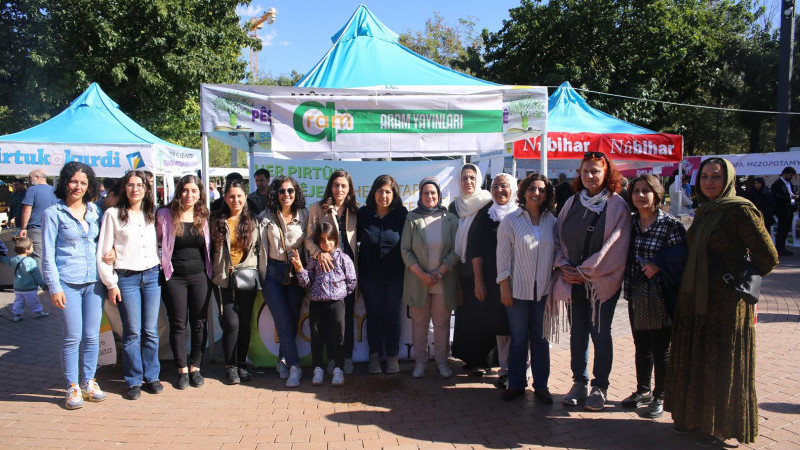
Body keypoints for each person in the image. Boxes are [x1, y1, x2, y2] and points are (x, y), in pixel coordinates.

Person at [665, 158, 778, 446]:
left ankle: (719, 427)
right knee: (698, 360)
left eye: (716, 177)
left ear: (728, 179)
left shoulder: (740, 211)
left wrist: (738, 282)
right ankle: (693, 419)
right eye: (704, 176)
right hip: (695, 300)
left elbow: (768, 257)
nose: (710, 182)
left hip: (725, 306)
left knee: (721, 364)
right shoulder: (705, 211)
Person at [550, 151, 631, 411]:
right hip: (572, 280)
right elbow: (558, 236)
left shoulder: (617, 204)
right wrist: (563, 265)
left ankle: (600, 386)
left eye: (595, 171)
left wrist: (586, 270)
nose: (589, 176)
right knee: (578, 334)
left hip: (600, 283)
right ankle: (579, 382)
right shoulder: (572, 202)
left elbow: (616, 245)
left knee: (600, 333)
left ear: (607, 173)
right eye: (585, 171)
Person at [620, 174, 688, 419]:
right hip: (636, 294)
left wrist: (658, 263)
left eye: (646, 191)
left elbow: (682, 256)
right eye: (636, 191)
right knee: (641, 346)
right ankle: (643, 390)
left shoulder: (670, 224)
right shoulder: (630, 222)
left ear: (657, 194)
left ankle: (661, 394)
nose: (640, 195)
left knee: (661, 349)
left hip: (661, 296)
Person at [41, 161, 106, 410]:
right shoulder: (53, 214)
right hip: (67, 282)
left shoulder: (94, 211)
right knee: (72, 337)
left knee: (92, 336)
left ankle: (89, 380)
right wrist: (53, 286)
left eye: (83, 182)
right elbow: (47, 255)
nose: (78, 186)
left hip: (94, 282)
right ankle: (72, 385)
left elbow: (102, 241)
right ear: (65, 182)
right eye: (74, 181)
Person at [97, 170, 162, 400]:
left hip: (152, 276)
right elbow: (104, 252)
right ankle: (134, 379)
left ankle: (152, 376)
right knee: (132, 332)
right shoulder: (113, 215)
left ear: (146, 189)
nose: (135, 189)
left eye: (139, 185)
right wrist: (111, 283)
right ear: (124, 188)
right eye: (130, 185)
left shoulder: (152, 213)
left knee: (151, 331)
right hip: (127, 278)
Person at [496, 174, 557, 404]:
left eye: (541, 190)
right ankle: (516, 384)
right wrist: (504, 286)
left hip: (544, 291)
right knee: (519, 339)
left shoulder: (552, 221)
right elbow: (502, 258)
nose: (536, 193)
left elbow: (558, 252)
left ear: (547, 194)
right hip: (517, 291)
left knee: (541, 340)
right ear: (523, 192)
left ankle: (541, 386)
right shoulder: (511, 221)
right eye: (532, 188)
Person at [156, 174, 212, 389]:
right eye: (186, 190)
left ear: (200, 194)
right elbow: (155, 241)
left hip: (200, 276)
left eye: (194, 191)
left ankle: (195, 367)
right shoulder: (164, 214)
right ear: (179, 191)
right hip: (174, 277)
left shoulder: (204, 216)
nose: (190, 195)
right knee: (179, 323)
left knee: (199, 322)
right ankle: (181, 370)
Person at [401, 177, 460, 379]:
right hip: (419, 281)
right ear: (420, 196)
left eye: (433, 193)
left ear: (439, 195)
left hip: (443, 280)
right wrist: (423, 275)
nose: (429, 196)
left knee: (442, 324)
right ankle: (420, 363)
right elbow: (405, 250)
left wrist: (440, 271)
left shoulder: (450, 219)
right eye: (425, 193)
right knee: (419, 324)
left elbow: (456, 250)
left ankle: (442, 362)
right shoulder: (412, 218)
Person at [306, 170, 359, 374]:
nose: (339, 189)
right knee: (326, 321)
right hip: (324, 273)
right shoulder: (318, 209)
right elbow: (309, 238)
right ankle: (330, 360)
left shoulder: (354, 210)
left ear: (349, 189)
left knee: (345, 318)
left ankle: (345, 358)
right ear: (330, 187)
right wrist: (319, 253)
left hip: (347, 274)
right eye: (336, 185)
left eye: (344, 186)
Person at [291, 222, 357, 387]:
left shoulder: (344, 258)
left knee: (339, 337)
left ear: (336, 239)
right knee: (317, 337)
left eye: (330, 239)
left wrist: (339, 293)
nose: (326, 243)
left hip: (337, 304)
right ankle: (318, 369)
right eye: (322, 240)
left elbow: (352, 280)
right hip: (317, 304)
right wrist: (299, 268)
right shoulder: (314, 260)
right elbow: (306, 283)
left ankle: (338, 369)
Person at [210, 179, 261, 386]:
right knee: (232, 324)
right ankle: (230, 366)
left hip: (246, 277)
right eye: (231, 196)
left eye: (239, 196)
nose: (235, 200)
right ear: (225, 198)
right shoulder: (216, 222)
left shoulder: (254, 221)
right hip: (223, 278)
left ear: (245, 197)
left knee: (245, 322)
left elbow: (259, 251)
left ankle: (241, 364)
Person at [260, 176, 308, 387]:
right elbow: (260, 249)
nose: (286, 195)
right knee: (283, 320)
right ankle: (295, 366)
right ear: (275, 194)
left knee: (291, 320)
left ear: (296, 193)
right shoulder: (265, 218)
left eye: (290, 190)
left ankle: (283, 360)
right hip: (272, 273)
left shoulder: (305, 216)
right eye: (281, 191)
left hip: (296, 273)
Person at [357, 175, 408, 374]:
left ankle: (393, 356)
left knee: (393, 317)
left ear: (394, 194)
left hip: (396, 276)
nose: (383, 195)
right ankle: (375, 356)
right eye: (380, 191)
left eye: (388, 191)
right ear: (373, 193)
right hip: (370, 277)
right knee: (375, 316)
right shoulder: (364, 214)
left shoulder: (401, 215)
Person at [470, 173, 516, 389]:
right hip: (492, 280)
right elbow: (476, 252)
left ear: (513, 188)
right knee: (500, 325)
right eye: (495, 186)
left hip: (521, 280)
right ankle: (505, 370)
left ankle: (523, 369)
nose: (499, 190)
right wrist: (478, 281)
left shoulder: (522, 214)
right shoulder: (485, 216)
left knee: (521, 325)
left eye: (504, 186)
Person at [449, 163, 494, 374]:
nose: (468, 182)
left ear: (479, 180)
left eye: (472, 178)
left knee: (481, 316)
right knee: (464, 315)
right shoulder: (454, 207)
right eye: (464, 178)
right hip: (460, 270)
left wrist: (480, 278)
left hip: (482, 272)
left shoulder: (487, 205)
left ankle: (482, 361)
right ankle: (467, 357)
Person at [1, 236, 49, 322]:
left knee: (18, 301)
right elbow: (36, 275)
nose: (32, 249)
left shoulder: (13, 259)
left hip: (17, 287)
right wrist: (42, 284)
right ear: (26, 249)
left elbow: (4, 260)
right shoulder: (31, 261)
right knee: (33, 301)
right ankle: (39, 312)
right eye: (32, 247)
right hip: (29, 287)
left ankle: (16, 314)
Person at [20, 169, 59, 267]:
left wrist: (23, 228)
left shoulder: (31, 190)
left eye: (30, 177)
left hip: (36, 228)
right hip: (54, 228)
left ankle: (40, 282)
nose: (29, 180)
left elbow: (27, 210)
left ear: (37, 177)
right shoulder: (56, 191)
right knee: (52, 256)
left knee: (38, 257)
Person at [770, 166, 797, 256]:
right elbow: (777, 197)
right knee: (782, 229)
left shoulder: (789, 183)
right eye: (790, 175)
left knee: (786, 229)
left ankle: (782, 247)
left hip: (790, 209)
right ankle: (779, 248)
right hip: (782, 210)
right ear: (784, 174)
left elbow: (791, 193)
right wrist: (790, 197)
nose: (791, 177)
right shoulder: (777, 184)